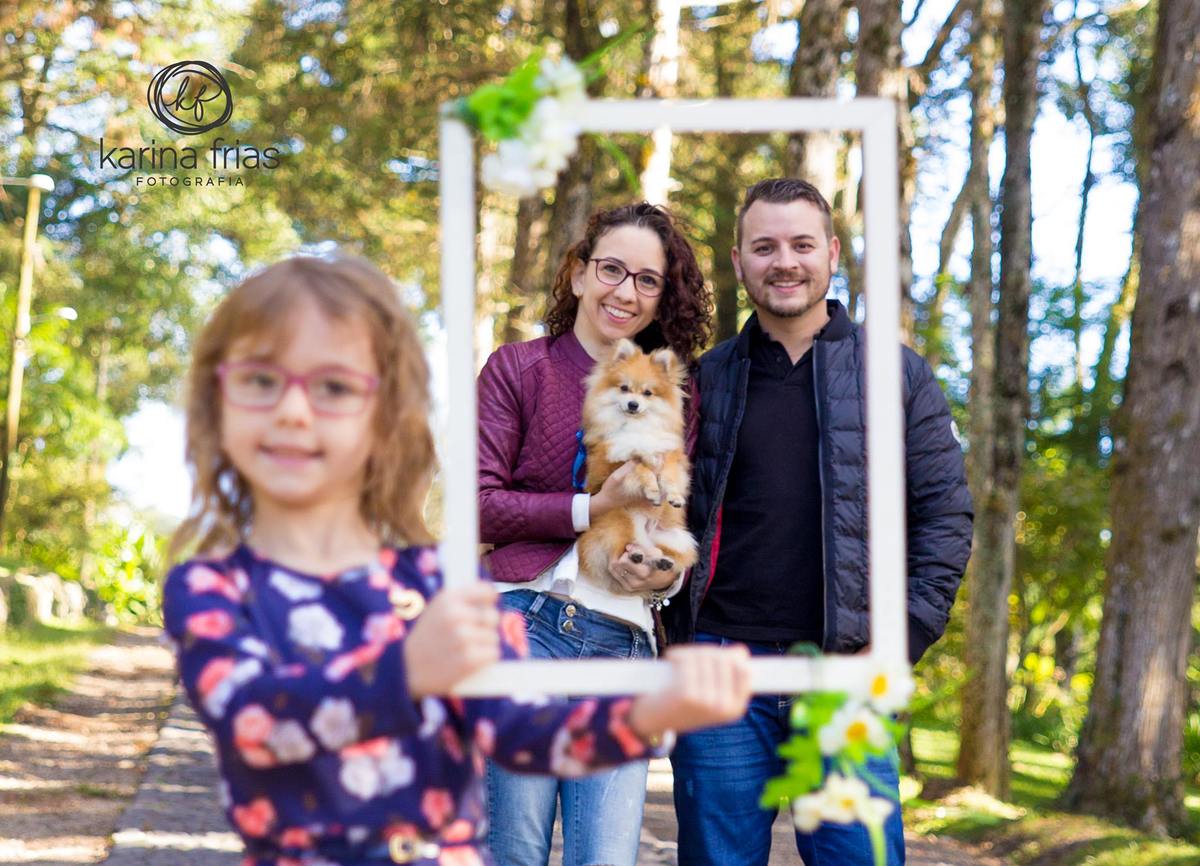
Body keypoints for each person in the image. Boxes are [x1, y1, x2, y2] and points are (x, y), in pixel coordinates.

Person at [160, 255, 753, 866]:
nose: (294, 410)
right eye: (262, 380)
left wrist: (649, 713)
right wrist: (409, 673)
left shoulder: (437, 584)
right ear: (216, 404)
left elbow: (525, 736)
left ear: (386, 416)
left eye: (333, 387)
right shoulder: (215, 589)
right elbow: (261, 727)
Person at [661, 178, 974, 866]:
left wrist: (903, 638)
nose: (785, 261)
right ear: (739, 261)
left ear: (832, 253)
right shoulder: (702, 382)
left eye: (802, 244)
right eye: (764, 246)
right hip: (720, 671)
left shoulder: (898, 377)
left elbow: (946, 519)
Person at [477, 202, 713, 866]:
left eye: (647, 280)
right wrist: (589, 507)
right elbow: (479, 504)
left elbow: (674, 523)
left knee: (605, 859)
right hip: (526, 623)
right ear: (578, 275)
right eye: (612, 269)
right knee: (516, 850)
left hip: (624, 643)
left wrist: (666, 576)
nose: (626, 292)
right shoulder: (517, 369)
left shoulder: (672, 398)